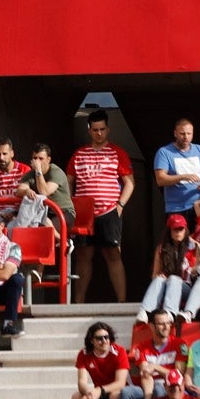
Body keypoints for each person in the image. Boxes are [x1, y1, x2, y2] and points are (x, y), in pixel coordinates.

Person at [71, 110, 134, 304]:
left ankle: (121, 303)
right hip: (84, 213)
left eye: (102, 129)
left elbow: (130, 183)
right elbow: (68, 181)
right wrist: (72, 206)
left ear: (108, 129)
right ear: (89, 130)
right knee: (83, 256)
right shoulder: (79, 154)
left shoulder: (118, 152)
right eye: (95, 129)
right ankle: (78, 303)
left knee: (114, 254)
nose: (99, 133)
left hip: (109, 211)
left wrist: (119, 206)